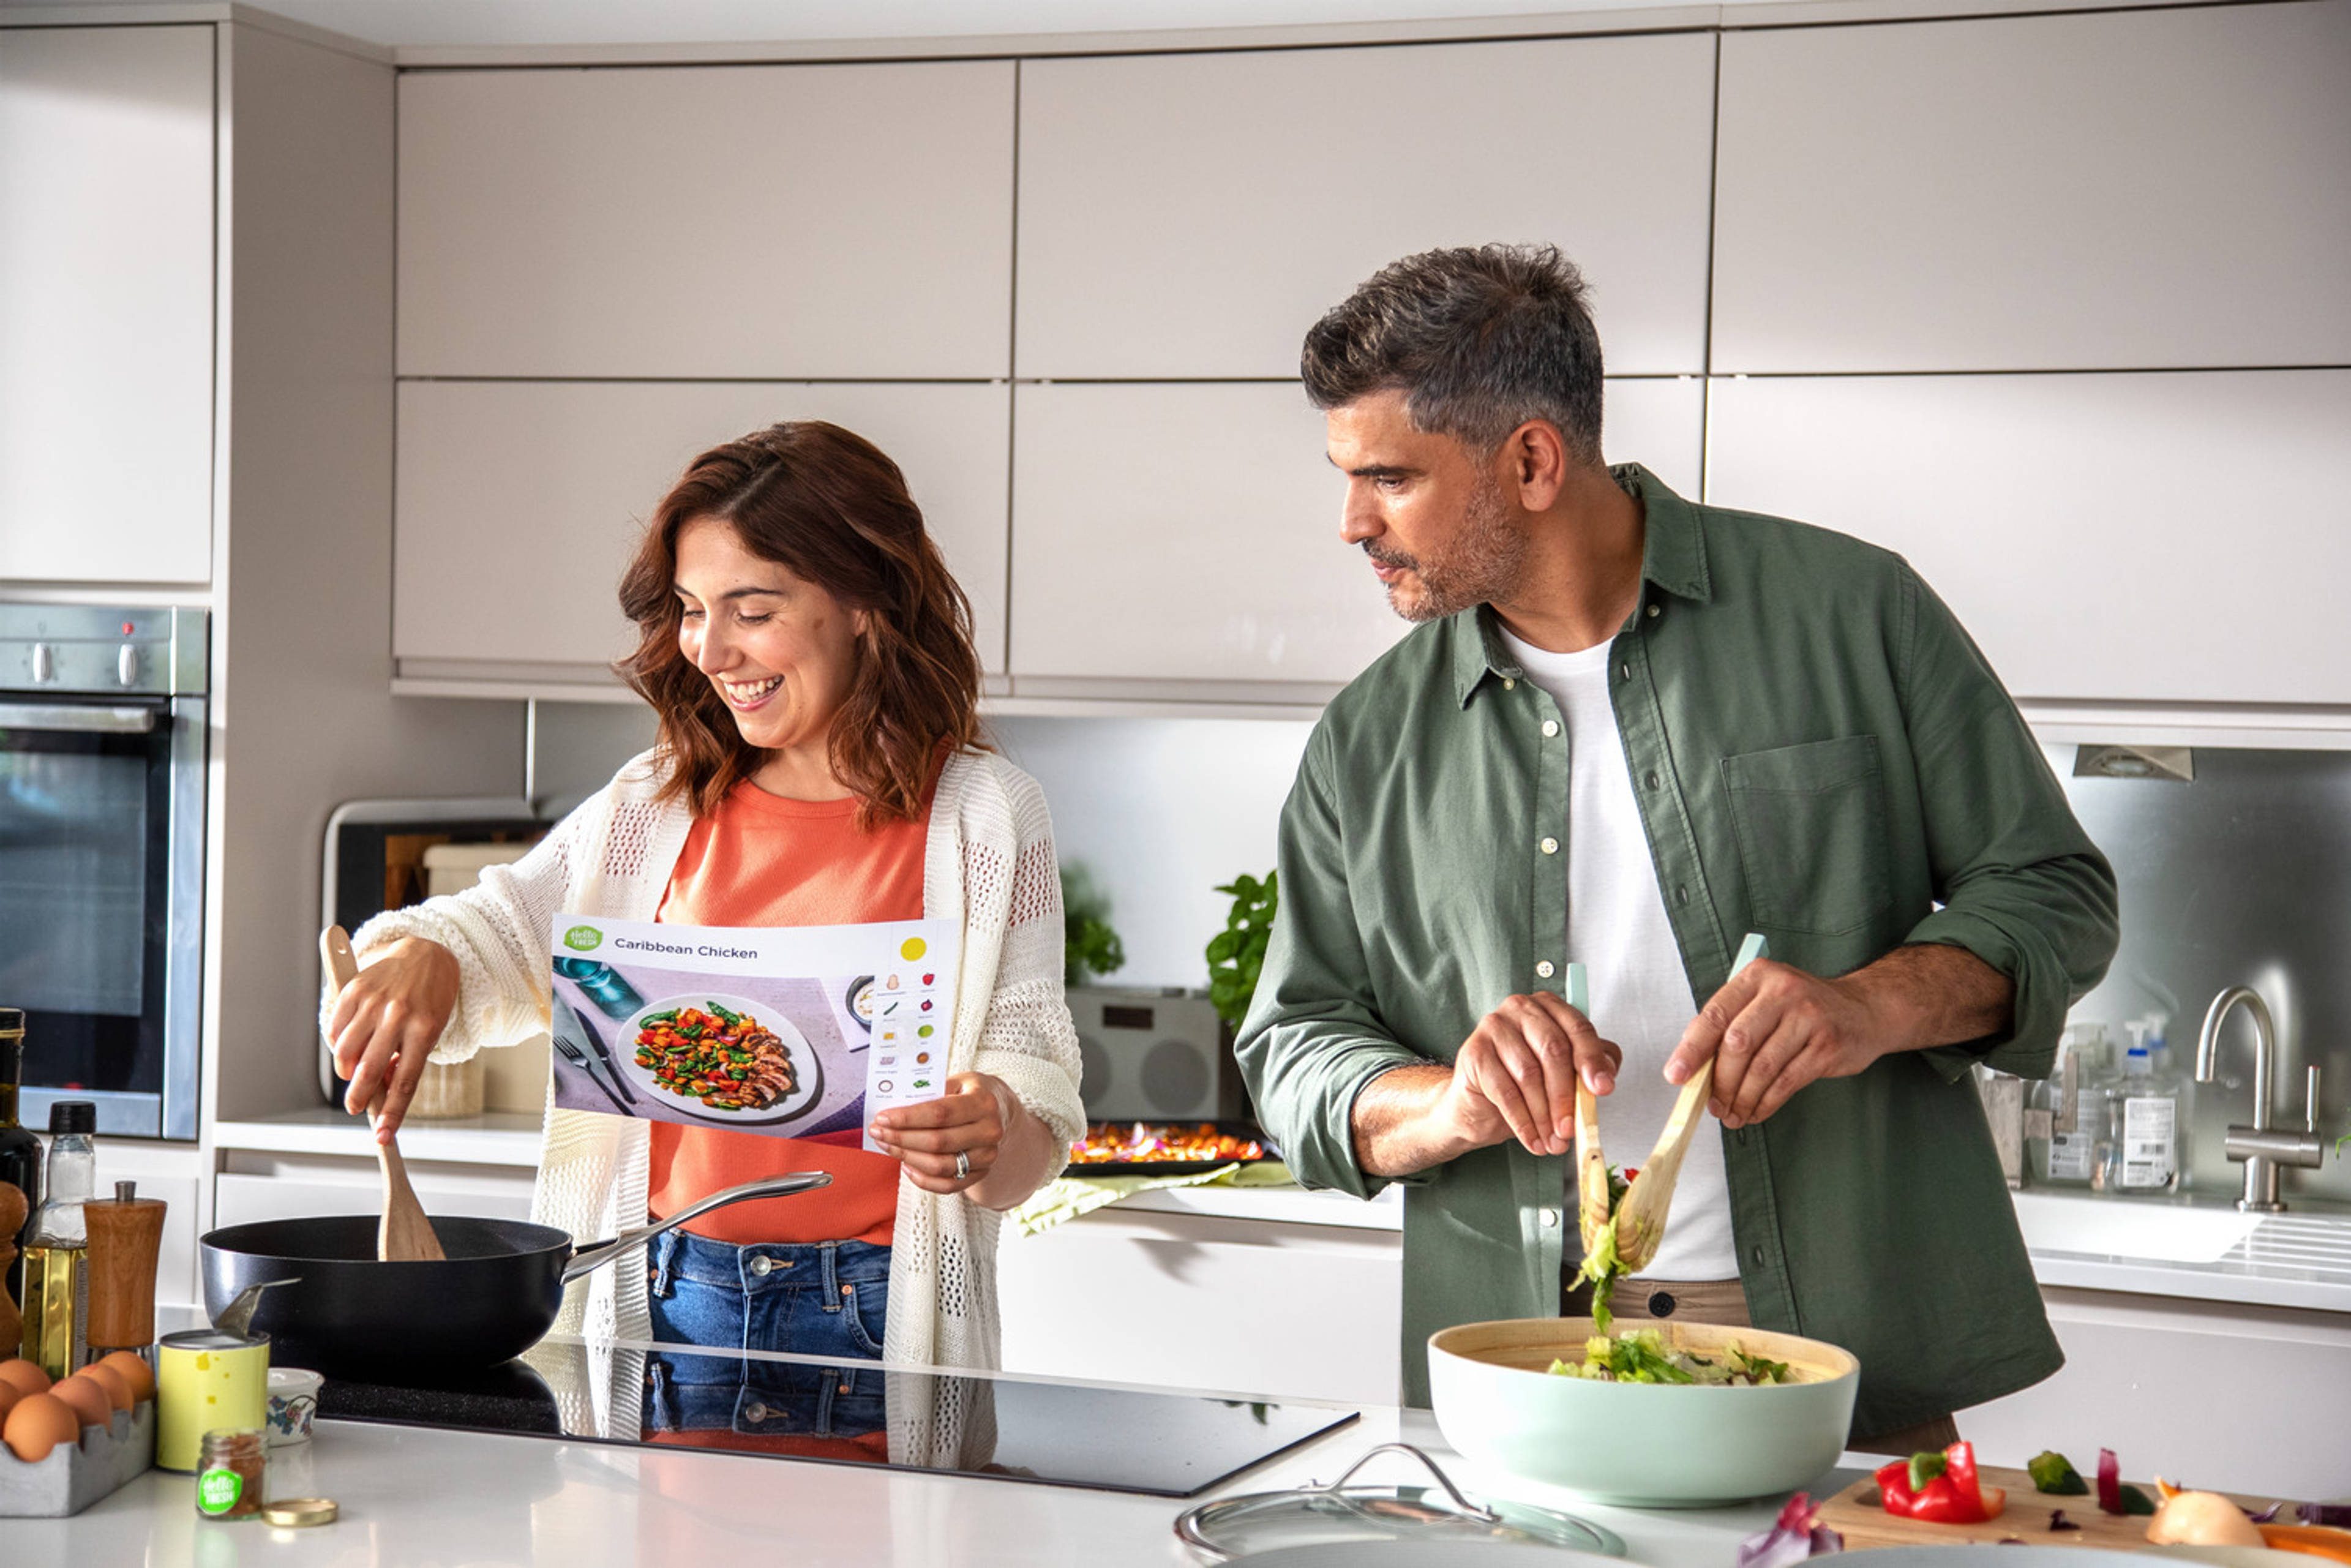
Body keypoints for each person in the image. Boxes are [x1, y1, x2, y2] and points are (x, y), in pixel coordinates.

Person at [1236, 245, 2119, 1447]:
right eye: (1349, 479)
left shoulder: (1856, 613)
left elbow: (2054, 892)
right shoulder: (1367, 739)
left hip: (1840, 1364)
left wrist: (1868, 1006)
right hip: (1522, 1367)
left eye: (1390, 478)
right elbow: (1294, 1048)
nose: (1353, 523)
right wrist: (1453, 1103)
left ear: (1533, 461)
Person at [323, 421, 1083, 1455]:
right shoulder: (653, 803)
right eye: (691, 610)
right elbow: (495, 932)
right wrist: (427, 955)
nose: (711, 650)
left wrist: (990, 1127)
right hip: (657, 1311)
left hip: (877, 1322)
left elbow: (1033, 1096)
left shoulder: (986, 819)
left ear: (865, 601)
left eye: (752, 611)